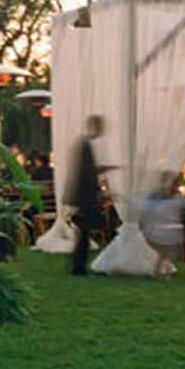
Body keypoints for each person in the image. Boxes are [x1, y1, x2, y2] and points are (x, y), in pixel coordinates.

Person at [68, 115, 110, 276]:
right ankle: (78, 266)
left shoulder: (85, 144)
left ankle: (78, 264)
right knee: (84, 231)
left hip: (84, 195)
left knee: (84, 232)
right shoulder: (85, 145)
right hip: (85, 196)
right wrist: (98, 191)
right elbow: (87, 173)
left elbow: (88, 170)